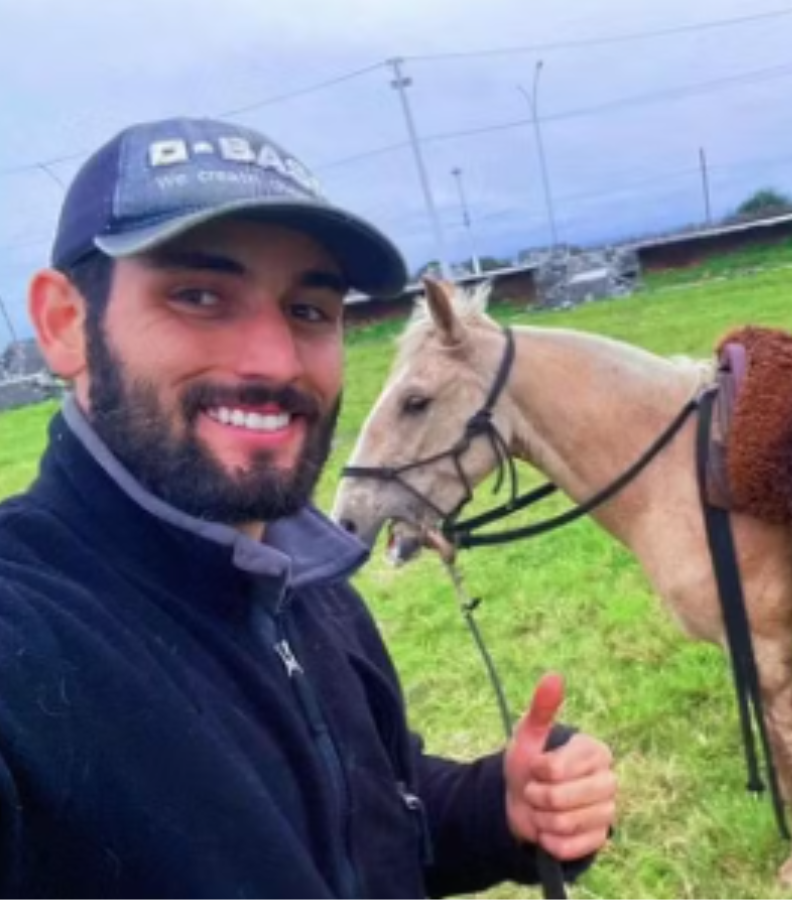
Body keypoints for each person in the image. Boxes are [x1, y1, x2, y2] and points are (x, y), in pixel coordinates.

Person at [0, 117, 617, 897]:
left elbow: (369, 820)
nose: (275, 362)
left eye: (309, 310)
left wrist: (495, 807)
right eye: (198, 295)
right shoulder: (25, 640)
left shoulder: (311, 586)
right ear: (66, 323)